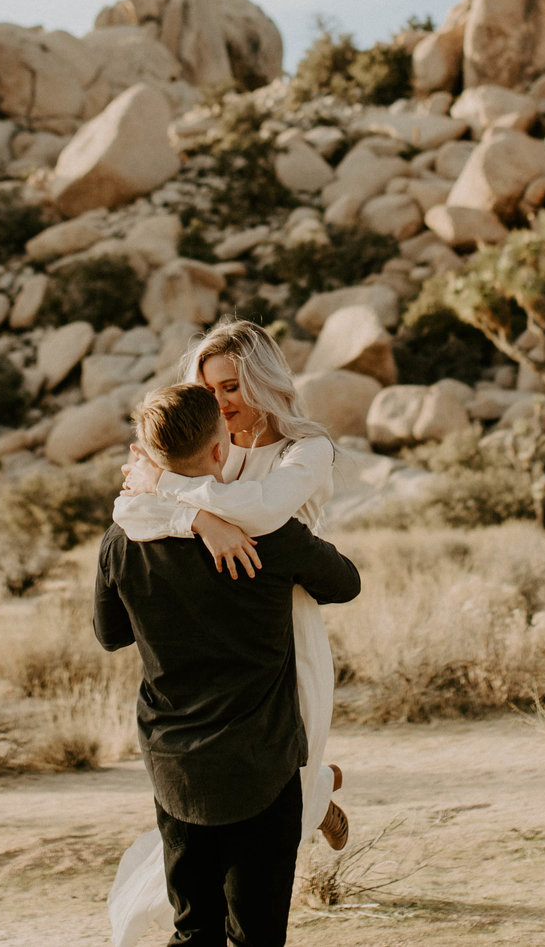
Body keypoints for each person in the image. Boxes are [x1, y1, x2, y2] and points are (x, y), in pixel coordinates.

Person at [95, 379, 362, 947]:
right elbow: (345, 583)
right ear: (221, 451)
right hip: (260, 765)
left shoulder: (122, 540)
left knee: (194, 930)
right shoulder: (270, 538)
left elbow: (111, 634)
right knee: (257, 935)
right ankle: (321, 794)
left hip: (174, 764)